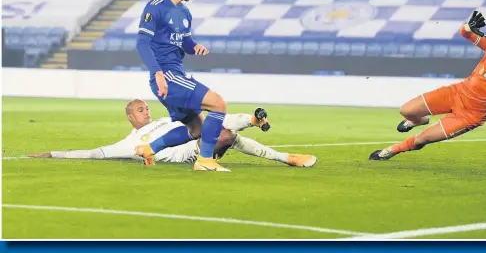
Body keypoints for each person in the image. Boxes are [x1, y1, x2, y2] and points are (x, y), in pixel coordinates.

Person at [369, 11, 486, 161]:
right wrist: (469, 26)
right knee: (406, 110)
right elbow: (465, 33)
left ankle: (390, 151)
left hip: (470, 116)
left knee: (421, 140)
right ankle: (418, 120)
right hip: (456, 93)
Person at [29, 99, 317, 168]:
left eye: (146, 108)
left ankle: (283, 153)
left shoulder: (165, 119)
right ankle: (253, 122)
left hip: (195, 136)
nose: (147, 112)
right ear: (130, 117)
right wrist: (54, 153)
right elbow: (95, 153)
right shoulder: (130, 142)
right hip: (186, 152)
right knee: (226, 133)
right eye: (140, 110)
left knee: (221, 126)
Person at [135, 0, 229, 171]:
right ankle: (205, 161)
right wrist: (158, 73)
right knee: (219, 104)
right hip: (167, 76)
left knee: (197, 129)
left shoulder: (185, 12)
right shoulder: (155, 7)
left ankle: (149, 148)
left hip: (176, 74)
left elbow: (184, 42)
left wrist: (195, 47)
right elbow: (142, 43)